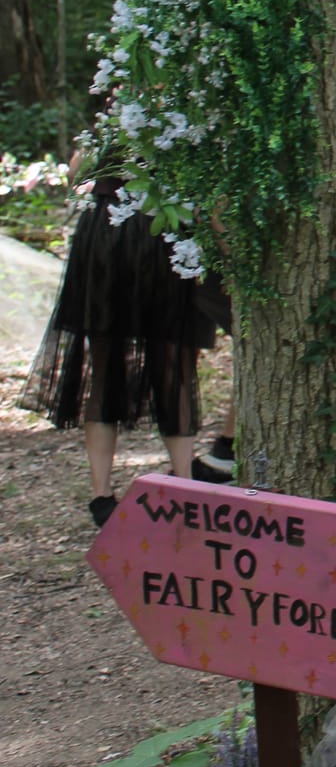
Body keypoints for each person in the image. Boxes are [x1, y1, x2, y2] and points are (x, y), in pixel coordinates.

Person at [25, 170, 231, 525]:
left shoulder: (111, 133)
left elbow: (77, 169)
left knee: (120, 364)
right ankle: (179, 484)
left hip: (118, 233)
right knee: (171, 363)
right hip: (148, 234)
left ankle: (107, 495)